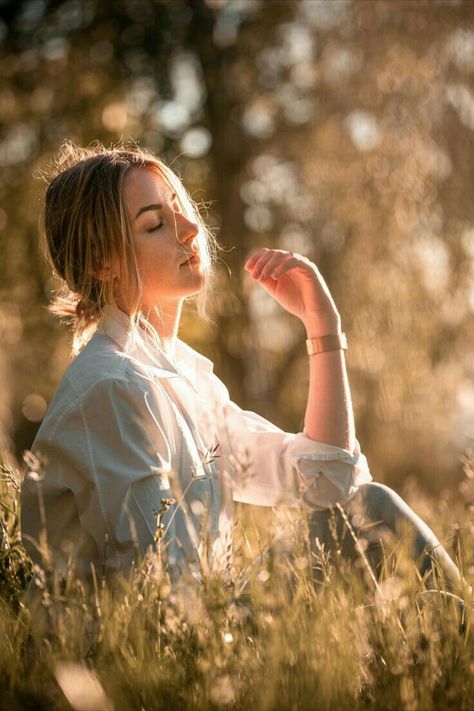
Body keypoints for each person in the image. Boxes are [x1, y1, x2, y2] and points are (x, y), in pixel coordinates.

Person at [20, 141, 462, 609]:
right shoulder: (112, 386)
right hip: (153, 656)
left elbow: (330, 483)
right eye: (155, 224)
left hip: (209, 619)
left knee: (369, 507)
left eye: (179, 209)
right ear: (100, 262)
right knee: (368, 514)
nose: (190, 230)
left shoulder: (186, 377)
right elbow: (163, 587)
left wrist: (323, 329)